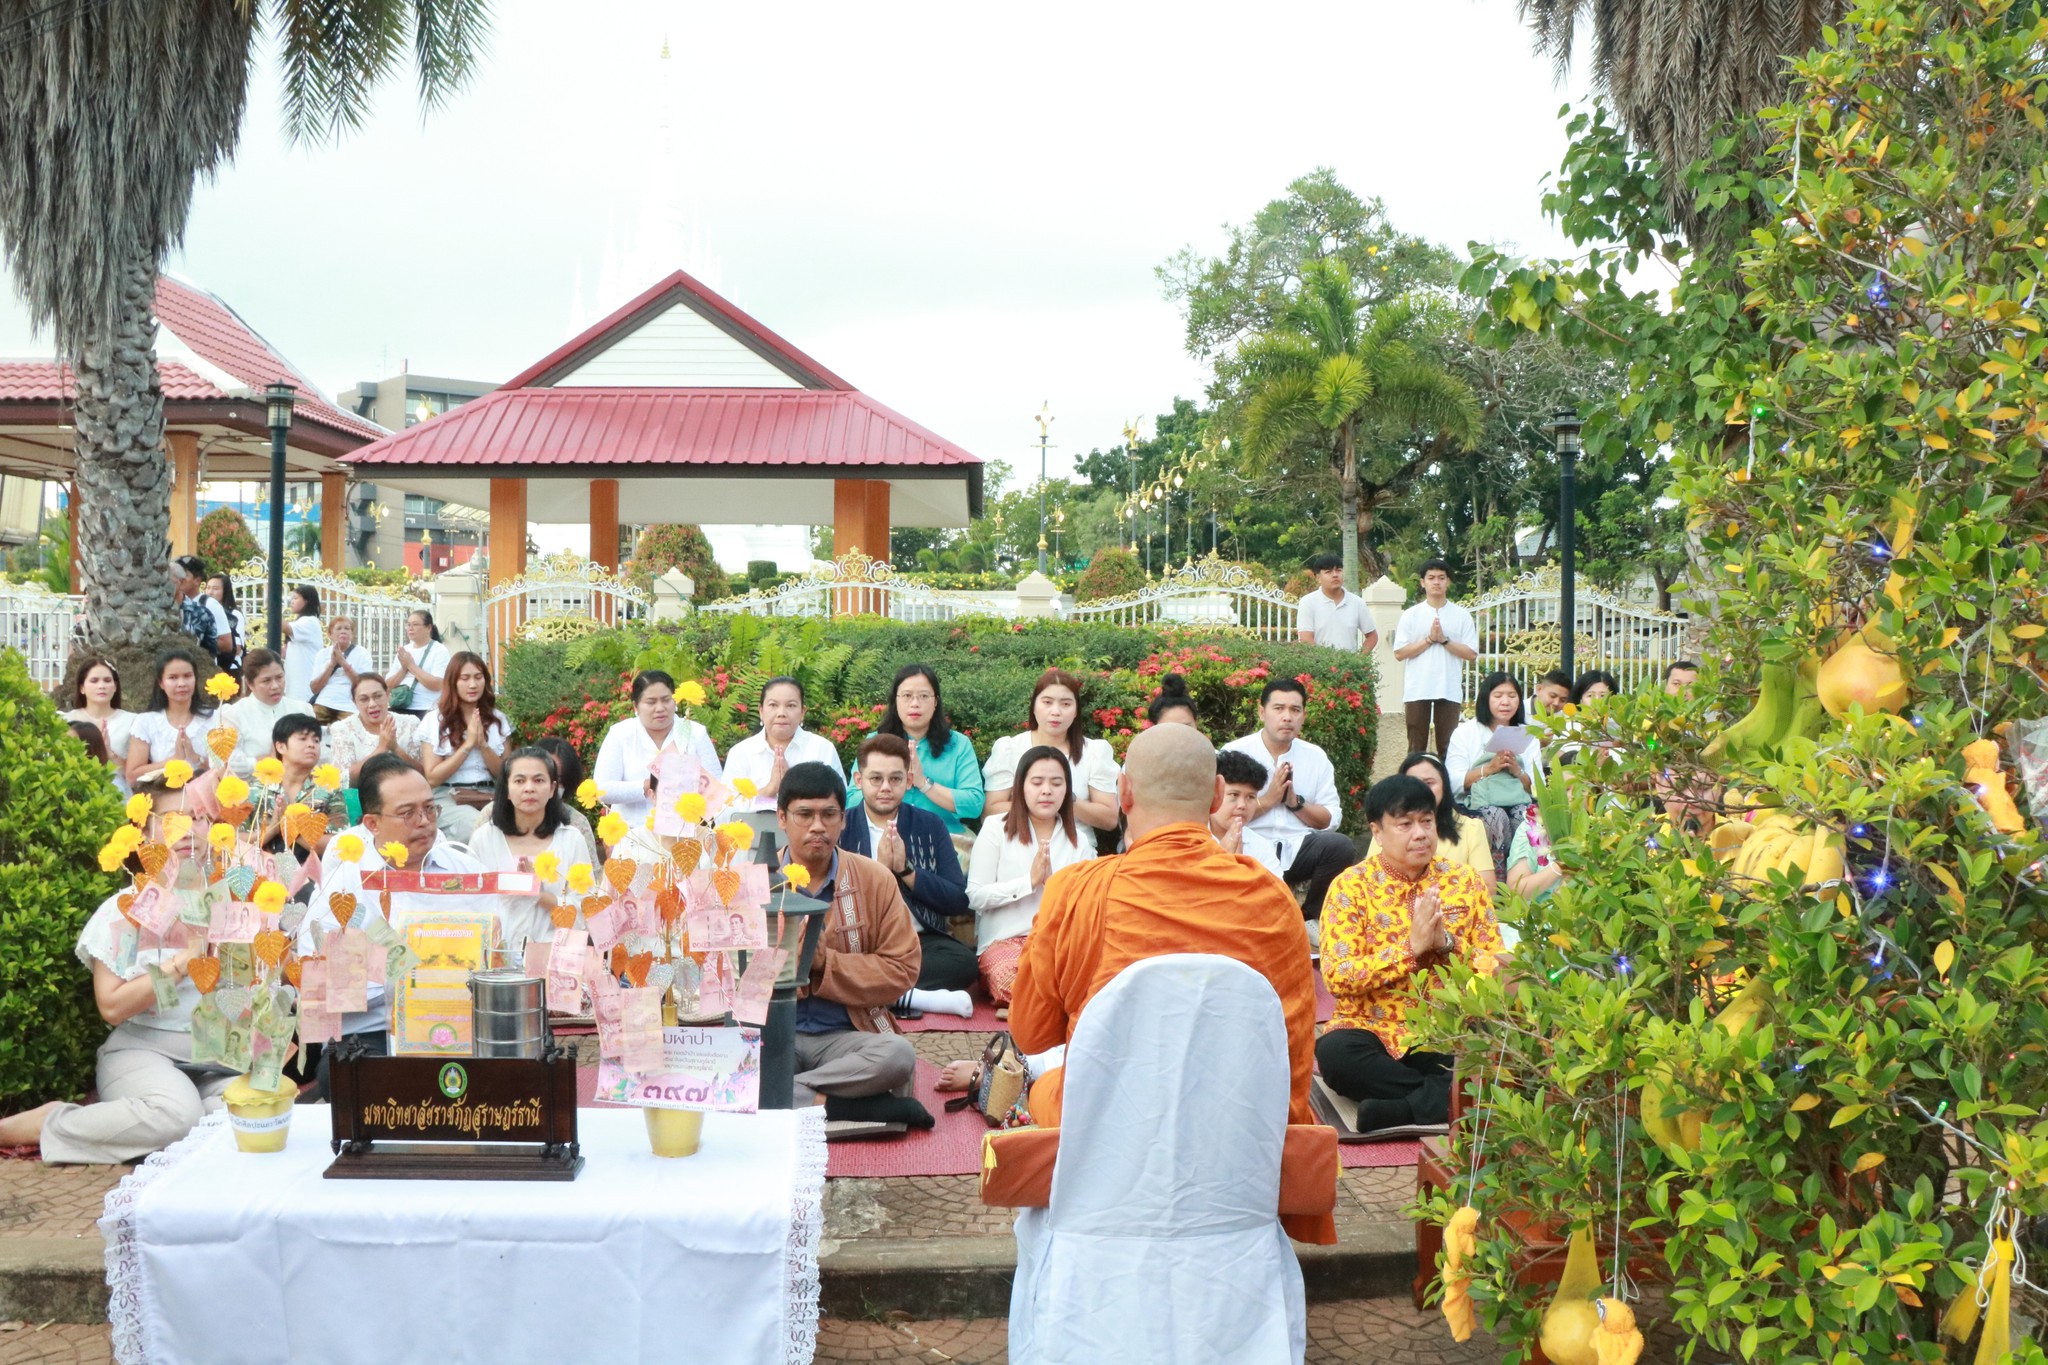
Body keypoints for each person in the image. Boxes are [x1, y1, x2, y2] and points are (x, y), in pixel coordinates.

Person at [1006, 722, 1335, 1245]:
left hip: (1113, 1131)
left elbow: (1030, 1035)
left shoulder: (1077, 890)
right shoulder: (1271, 901)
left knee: (1044, 1086)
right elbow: (1293, 1054)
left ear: (1125, 793)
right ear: (1214, 796)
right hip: (1234, 1134)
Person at [0, 789, 233, 1162]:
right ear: (145, 835)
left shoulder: (238, 901)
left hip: (219, 1057)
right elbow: (111, 1007)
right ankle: (53, 1122)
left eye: (198, 817)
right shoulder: (125, 911)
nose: (187, 829)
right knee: (175, 1116)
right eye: (171, 819)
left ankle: (174, 1125)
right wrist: (183, 960)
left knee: (263, 1110)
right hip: (143, 1050)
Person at [1316, 774, 1503, 1133]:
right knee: (1335, 1056)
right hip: (1370, 1026)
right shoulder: (1350, 887)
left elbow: (1492, 964)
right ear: (1377, 831)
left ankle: (1399, 1109)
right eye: (1405, 824)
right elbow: (1339, 977)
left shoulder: (1464, 882)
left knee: (1492, 1056)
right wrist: (1411, 949)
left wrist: (1447, 945)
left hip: (1446, 1028)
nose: (1420, 833)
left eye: (1426, 822)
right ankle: (1441, 1102)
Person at [300, 754, 495, 1074]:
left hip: (461, 1020)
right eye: (408, 813)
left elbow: (499, 945)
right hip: (372, 1029)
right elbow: (321, 980)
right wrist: (408, 978)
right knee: (351, 1075)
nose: (424, 821)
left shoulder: (465, 869)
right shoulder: (346, 886)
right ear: (372, 823)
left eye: (430, 808)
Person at [774, 762, 924, 1121]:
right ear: (782, 818)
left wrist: (827, 964)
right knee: (731, 1059)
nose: (817, 826)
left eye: (829, 815)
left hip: (848, 1036)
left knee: (898, 1056)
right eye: (804, 815)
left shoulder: (875, 879)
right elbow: (729, 974)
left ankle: (779, 1096)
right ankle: (840, 1104)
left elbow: (903, 969)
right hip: (778, 1035)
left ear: (843, 819)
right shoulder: (754, 881)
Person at [839, 734, 979, 1003]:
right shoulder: (842, 827)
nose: (885, 788)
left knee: (963, 963)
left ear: (909, 780)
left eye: (895, 779)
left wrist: (907, 870)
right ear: (859, 781)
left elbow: (957, 900)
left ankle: (874, 991)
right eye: (876, 779)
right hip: (858, 941)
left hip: (917, 941)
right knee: (829, 959)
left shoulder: (930, 825)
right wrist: (879, 870)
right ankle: (906, 997)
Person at [1219, 678, 1354, 921]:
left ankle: (1310, 919)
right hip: (1248, 843)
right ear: (1262, 712)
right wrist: (1267, 800)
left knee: (1340, 846)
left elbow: (1331, 818)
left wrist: (1296, 804)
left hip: (1298, 845)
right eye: (1278, 708)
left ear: (1303, 715)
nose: (1287, 717)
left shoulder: (1315, 757)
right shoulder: (1236, 752)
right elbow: (1218, 810)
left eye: (1295, 710)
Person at [968, 747, 1095, 1006]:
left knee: (1084, 974)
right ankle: (1050, 1008)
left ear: (1067, 791)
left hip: (1058, 944)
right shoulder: (996, 829)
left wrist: (1054, 885)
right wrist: (1029, 882)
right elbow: (976, 897)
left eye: (1056, 783)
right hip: (1004, 944)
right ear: (1020, 787)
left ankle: (1035, 1009)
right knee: (1013, 982)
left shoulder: (1079, 842)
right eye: (1037, 782)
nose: (1046, 790)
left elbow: (1088, 907)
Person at [468, 748, 588, 950]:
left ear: (552, 789)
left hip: (554, 957)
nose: (529, 788)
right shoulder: (484, 839)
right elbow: (470, 904)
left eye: (539, 780)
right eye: (519, 781)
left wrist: (539, 895)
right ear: (506, 789)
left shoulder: (571, 840)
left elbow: (587, 912)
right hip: (495, 958)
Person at [852, 664, 984, 836]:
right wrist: (890, 782)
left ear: (935, 701)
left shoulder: (958, 744)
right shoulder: (875, 741)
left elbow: (974, 805)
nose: (915, 704)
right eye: (907, 696)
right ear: (895, 700)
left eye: (923, 696)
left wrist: (923, 783)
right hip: (882, 834)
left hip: (945, 837)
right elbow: (851, 800)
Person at [983, 668, 1120, 832]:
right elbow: (990, 811)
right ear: (1033, 707)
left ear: (1076, 711)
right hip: (1020, 842)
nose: (1056, 712)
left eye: (1066, 704)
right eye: (1047, 702)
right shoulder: (1009, 749)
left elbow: (1110, 818)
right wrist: (1040, 803)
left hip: (1076, 847)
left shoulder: (1094, 752)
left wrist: (1066, 799)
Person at [591, 669, 722, 832]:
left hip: (686, 836)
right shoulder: (620, 735)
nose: (660, 708)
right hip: (634, 836)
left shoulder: (695, 733)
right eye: (651, 702)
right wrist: (648, 785)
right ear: (636, 706)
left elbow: (717, 788)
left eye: (666, 700)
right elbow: (602, 790)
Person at [1444, 670, 1542, 879]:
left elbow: (1538, 786)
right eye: (1498, 696)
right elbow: (1452, 782)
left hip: (1517, 799)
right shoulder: (1466, 732)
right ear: (1486, 698)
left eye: (1512, 696)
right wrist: (1488, 769)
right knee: (1495, 816)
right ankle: (1497, 882)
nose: (1505, 702)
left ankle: (1524, 879)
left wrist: (1517, 770)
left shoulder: (1528, 734)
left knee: (1523, 815)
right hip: (1478, 804)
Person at [1391, 559, 1479, 757]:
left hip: (1448, 688)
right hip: (1418, 688)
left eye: (1441, 578)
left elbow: (1471, 653)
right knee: (1416, 747)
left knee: (1448, 747)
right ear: (1423, 582)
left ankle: (1447, 786)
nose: (1436, 582)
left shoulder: (1461, 615)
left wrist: (1445, 641)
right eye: (1431, 578)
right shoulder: (1411, 615)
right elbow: (1400, 653)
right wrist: (1430, 639)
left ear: (1448, 582)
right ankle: (1414, 787)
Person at [424, 651, 512, 842]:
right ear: (453, 682)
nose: (472, 684)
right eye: (465, 678)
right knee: (479, 826)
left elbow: (505, 775)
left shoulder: (498, 720)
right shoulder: (435, 720)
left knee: (506, 823)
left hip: (489, 796)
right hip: (448, 798)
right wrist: (468, 744)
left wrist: (483, 746)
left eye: (478, 677)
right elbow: (432, 777)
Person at [723, 676, 844, 812]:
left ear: (802, 712)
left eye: (791, 705)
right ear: (761, 711)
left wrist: (791, 788)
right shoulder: (741, 753)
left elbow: (839, 805)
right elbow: (725, 812)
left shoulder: (822, 748)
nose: (781, 713)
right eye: (773, 705)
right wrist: (770, 789)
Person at [1393, 751, 1494, 894]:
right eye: (1414, 784)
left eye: (1429, 783)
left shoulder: (1472, 828)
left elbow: (1487, 889)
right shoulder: (1389, 827)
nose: (1422, 791)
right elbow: (1374, 880)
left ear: (1444, 786)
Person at [247, 714, 346, 856]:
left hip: (313, 873)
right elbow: (236, 844)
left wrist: (290, 824)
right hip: (263, 871)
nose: (312, 744)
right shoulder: (256, 789)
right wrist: (273, 828)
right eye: (303, 739)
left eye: (316, 740)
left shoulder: (328, 790)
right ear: (281, 747)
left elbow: (337, 845)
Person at [124, 647, 221, 790]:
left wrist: (195, 757)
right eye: (173, 678)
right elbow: (132, 776)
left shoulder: (214, 718)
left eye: (187, 676)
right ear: (161, 683)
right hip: (162, 799)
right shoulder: (146, 722)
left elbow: (225, 768)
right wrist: (173, 760)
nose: (181, 683)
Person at [216, 648, 315, 779]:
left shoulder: (302, 709)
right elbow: (229, 764)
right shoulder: (234, 714)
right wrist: (268, 760)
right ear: (250, 684)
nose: (275, 686)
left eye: (279, 677)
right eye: (266, 681)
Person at [323, 672, 427, 786]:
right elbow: (343, 779)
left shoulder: (410, 724)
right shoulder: (342, 729)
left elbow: (423, 774)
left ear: (388, 695)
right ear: (354, 702)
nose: (372, 704)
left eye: (378, 696)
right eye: (364, 699)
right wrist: (381, 748)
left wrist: (395, 748)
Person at [64, 655, 136, 795]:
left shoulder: (133, 721)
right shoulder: (66, 719)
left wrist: (109, 754)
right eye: (94, 681)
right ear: (82, 688)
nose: (101, 686)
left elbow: (136, 771)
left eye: (107, 680)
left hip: (118, 794)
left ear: (115, 687)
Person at [532, 737, 601, 862]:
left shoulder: (577, 823)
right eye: (541, 777)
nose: (550, 785)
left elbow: (590, 877)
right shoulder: (492, 816)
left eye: (558, 779)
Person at [1296, 552, 1378, 652]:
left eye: (1338, 570)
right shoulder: (1307, 603)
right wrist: (1326, 664)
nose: (1335, 575)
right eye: (1328, 572)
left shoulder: (1357, 602)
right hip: (1319, 665)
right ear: (1318, 578)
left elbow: (1372, 636)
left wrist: (1359, 660)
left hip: (1349, 666)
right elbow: (1306, 640)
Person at [1209, 749, 1273, 866]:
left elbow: (1275, 884)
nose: (1242, 805)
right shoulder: (1189, 839)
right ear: (1214, 793)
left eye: (1251, 797)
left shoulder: (1261, 847)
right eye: (1234, 795)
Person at [170, 554, 234, 671]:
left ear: (197, 580)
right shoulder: (160, 609)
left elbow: (226, 644)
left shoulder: (206, 608)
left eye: (186, 575)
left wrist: (191, 641)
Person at [308, 615, 374, 726]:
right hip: (323, 703)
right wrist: (331, 665)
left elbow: (364, 685)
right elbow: (314, 688)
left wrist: (343, 663)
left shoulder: (362, 653)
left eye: (347, 628)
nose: (343, 631)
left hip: (349, 706)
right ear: (330, 634)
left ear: (352, 634)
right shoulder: (322, 654)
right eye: (339, 628)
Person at [386, 609, 450, 722]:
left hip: (426, 709)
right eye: (408, 625)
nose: (410, 628)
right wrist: (404, 669)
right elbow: (387, 685)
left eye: (415, 624)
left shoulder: (439, 650)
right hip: (399, 708)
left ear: (429, 628)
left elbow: (438, 684)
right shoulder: (404, 650)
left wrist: (411, 666)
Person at [280, 584, 325, 704]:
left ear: (307, 601)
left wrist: (272, 605)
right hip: (294, 683)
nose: (291, 602)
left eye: (295, 598)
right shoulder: (301, 622)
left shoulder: (309, 621)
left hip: (303, 686)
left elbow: (285, 627)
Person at [205, 573, 246, 678]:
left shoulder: (235, 615)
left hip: (230, 668)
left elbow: (237, 648)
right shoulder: (201, 613)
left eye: (215, 588)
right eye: (208, 588)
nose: (210, 592)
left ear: (225, 591)